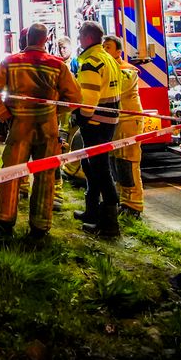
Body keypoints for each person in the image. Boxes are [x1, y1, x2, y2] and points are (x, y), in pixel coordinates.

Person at [0, 22, 80, 238]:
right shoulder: (58, 65)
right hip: (47, 129)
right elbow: (75, 98)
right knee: (45, 175)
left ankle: (4, 221)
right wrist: (54, 111)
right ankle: (40, 225)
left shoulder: (10, 62)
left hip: (19, 126)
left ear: (27, 40)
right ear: (45, 40)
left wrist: (4, 114)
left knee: (11, 174)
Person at [73, 21, 122, 237]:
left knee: (100, 169)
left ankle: (109, 223)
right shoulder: (109, 59)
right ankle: (91, 212)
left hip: (95, 122)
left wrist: (80, 117)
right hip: (108, 120)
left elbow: (89, 98)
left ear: (87, 38)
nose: (79, 40)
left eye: (80, 36)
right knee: (90, 165)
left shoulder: (91, 62)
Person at [104, 35, 144, 220]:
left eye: (108, 47)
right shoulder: (110, 69)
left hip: (128, 121)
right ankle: (124, 201)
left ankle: (134, 205)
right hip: (117, 121)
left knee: (128, 163)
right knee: (116, 163)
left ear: (118, 52)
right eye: (103, 46)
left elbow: (113, 89)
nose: (104, 50)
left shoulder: (127, 71)